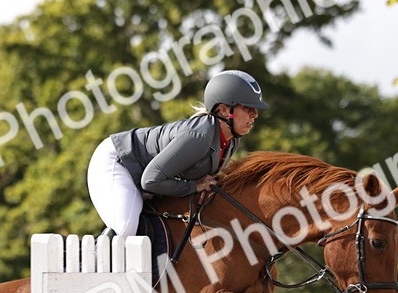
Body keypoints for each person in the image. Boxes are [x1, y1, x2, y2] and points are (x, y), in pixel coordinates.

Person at [87, 69, 267, 238]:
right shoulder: (199, 136)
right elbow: (150, 180)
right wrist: (194, 186)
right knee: (126, 229)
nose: (255, 115)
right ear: (225, 110)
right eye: (247, 108)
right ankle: (86, 263)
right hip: (117, 161)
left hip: (142, 173)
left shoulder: (232, 138)